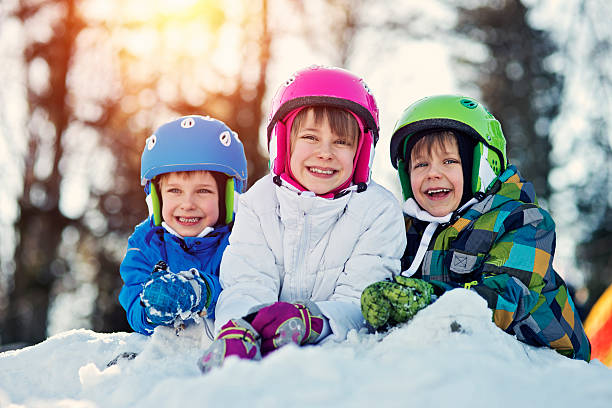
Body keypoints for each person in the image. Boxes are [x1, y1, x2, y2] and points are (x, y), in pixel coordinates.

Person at [198, 66, 406, 372]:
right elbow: (247, 280)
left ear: (362, 154)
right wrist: (238, 326)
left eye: (341, 142)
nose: (325, 153)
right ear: (282, 143)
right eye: (310, 137)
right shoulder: (259, 201)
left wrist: (315, 320)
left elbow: (360, 298)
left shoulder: (378, 211)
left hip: (340, 366)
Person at [360, 94, 591, 361]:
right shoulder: (404, 229)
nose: (432, 173)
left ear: (481, 167)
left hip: (544, 363)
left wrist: (428, 300)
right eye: (421, 164)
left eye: (449, 161)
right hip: (454, 356)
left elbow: (507, 298)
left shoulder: (524, 221)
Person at [119, 115, 247, 336]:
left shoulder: (241, 241)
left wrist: (202, 291)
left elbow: (244, 292)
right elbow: (132, 300)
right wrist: (150, 308)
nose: (187, 204)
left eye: (203, 191)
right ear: (156, 199)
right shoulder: (145, 244)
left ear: (227, 198)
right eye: (175, 191)